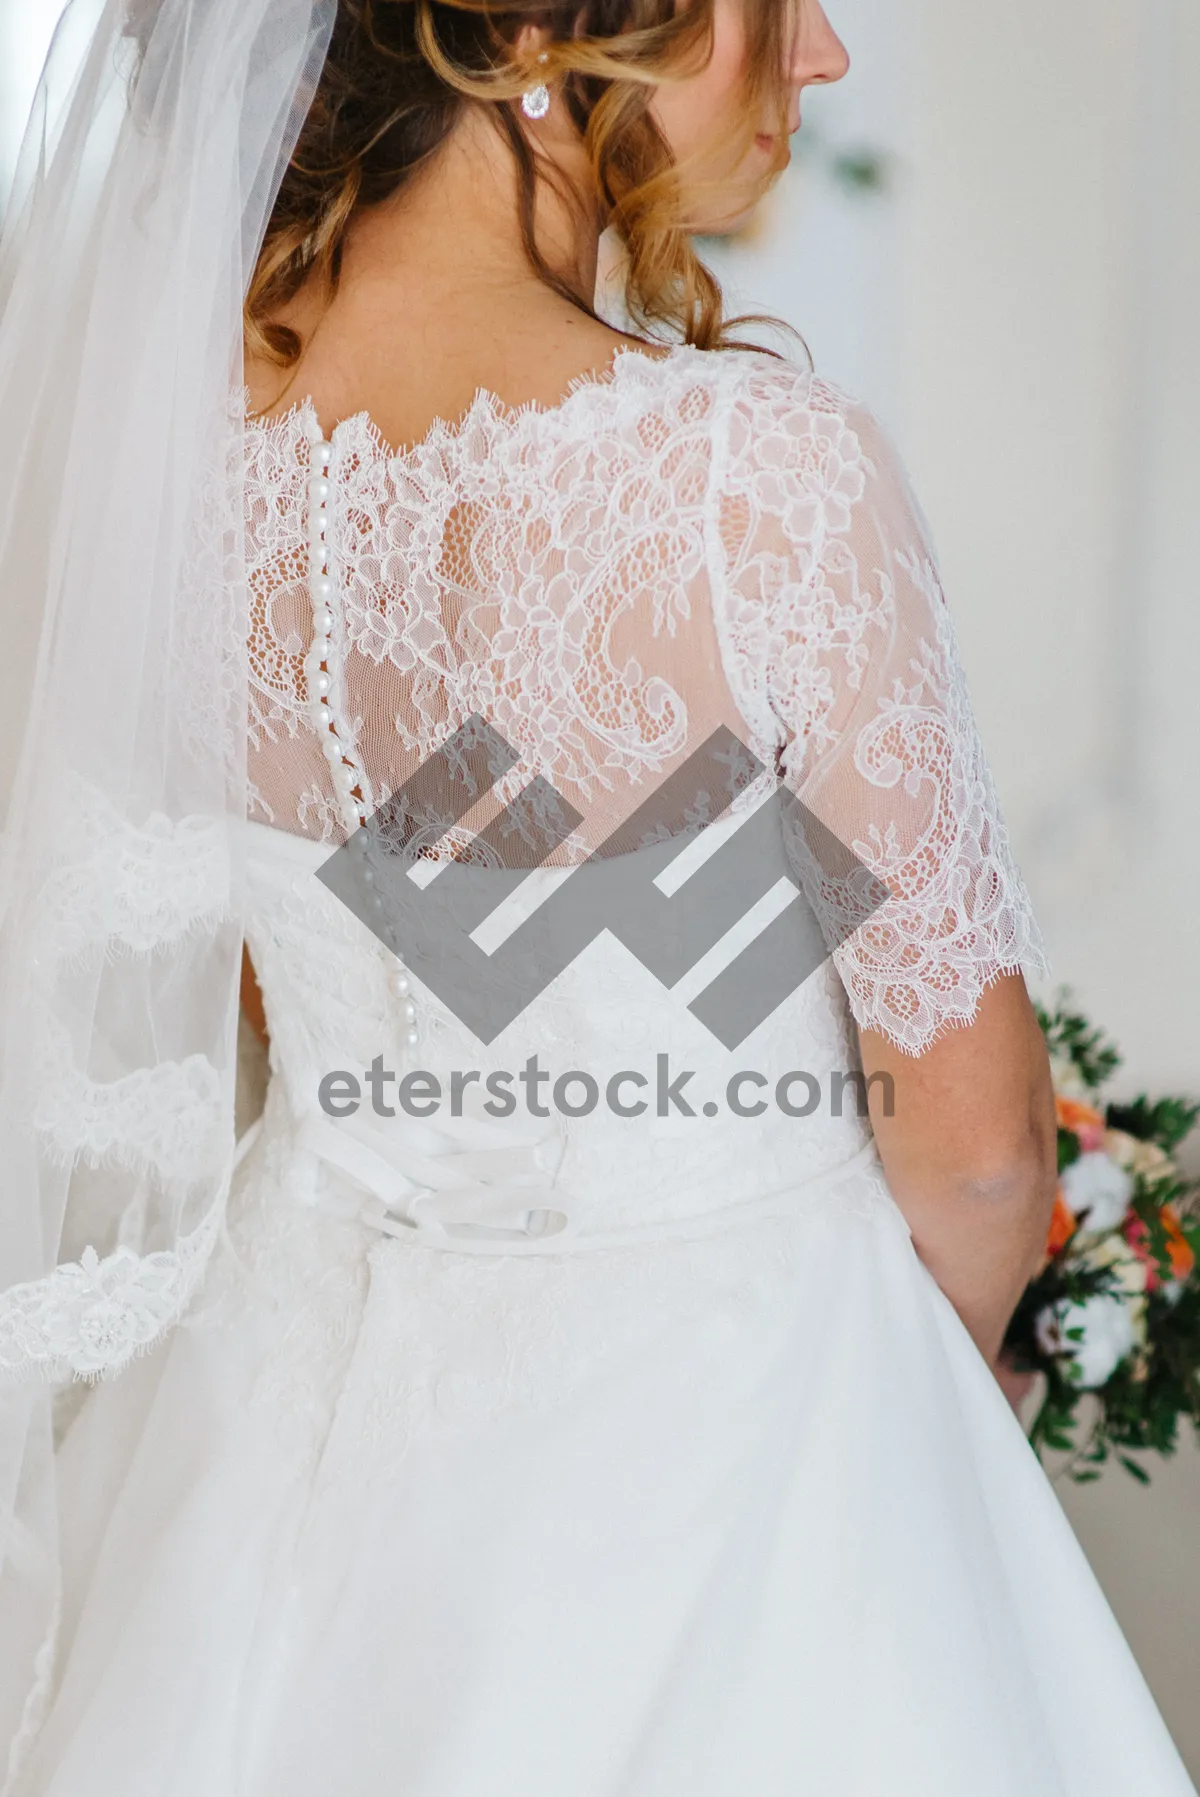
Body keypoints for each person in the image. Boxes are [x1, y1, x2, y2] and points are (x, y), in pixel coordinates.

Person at [0, 0, 1194, 1792]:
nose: (827, 56)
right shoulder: (751, 475)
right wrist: (926, 1414)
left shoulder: (160, 465)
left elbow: (240, 984)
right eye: (779, 6)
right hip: (732, 1451)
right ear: (550, 38)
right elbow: (975, 1150)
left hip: (268, 1449)